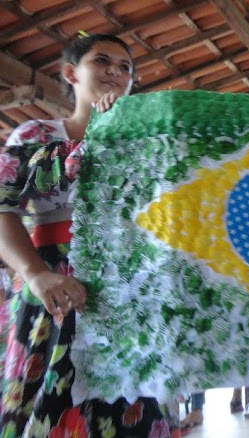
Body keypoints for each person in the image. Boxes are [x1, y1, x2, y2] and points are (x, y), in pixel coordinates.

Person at [0, 33, 173, 436]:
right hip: (53, 285)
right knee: (51, 394)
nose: (115, 71)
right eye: (102, 61)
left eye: (125, 67)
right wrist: (36, 274)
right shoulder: (34, 136)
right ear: (70, 74)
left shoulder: (142, 144)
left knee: (133, 400)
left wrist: (112, 131)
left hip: (125, 290)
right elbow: (3, 207)